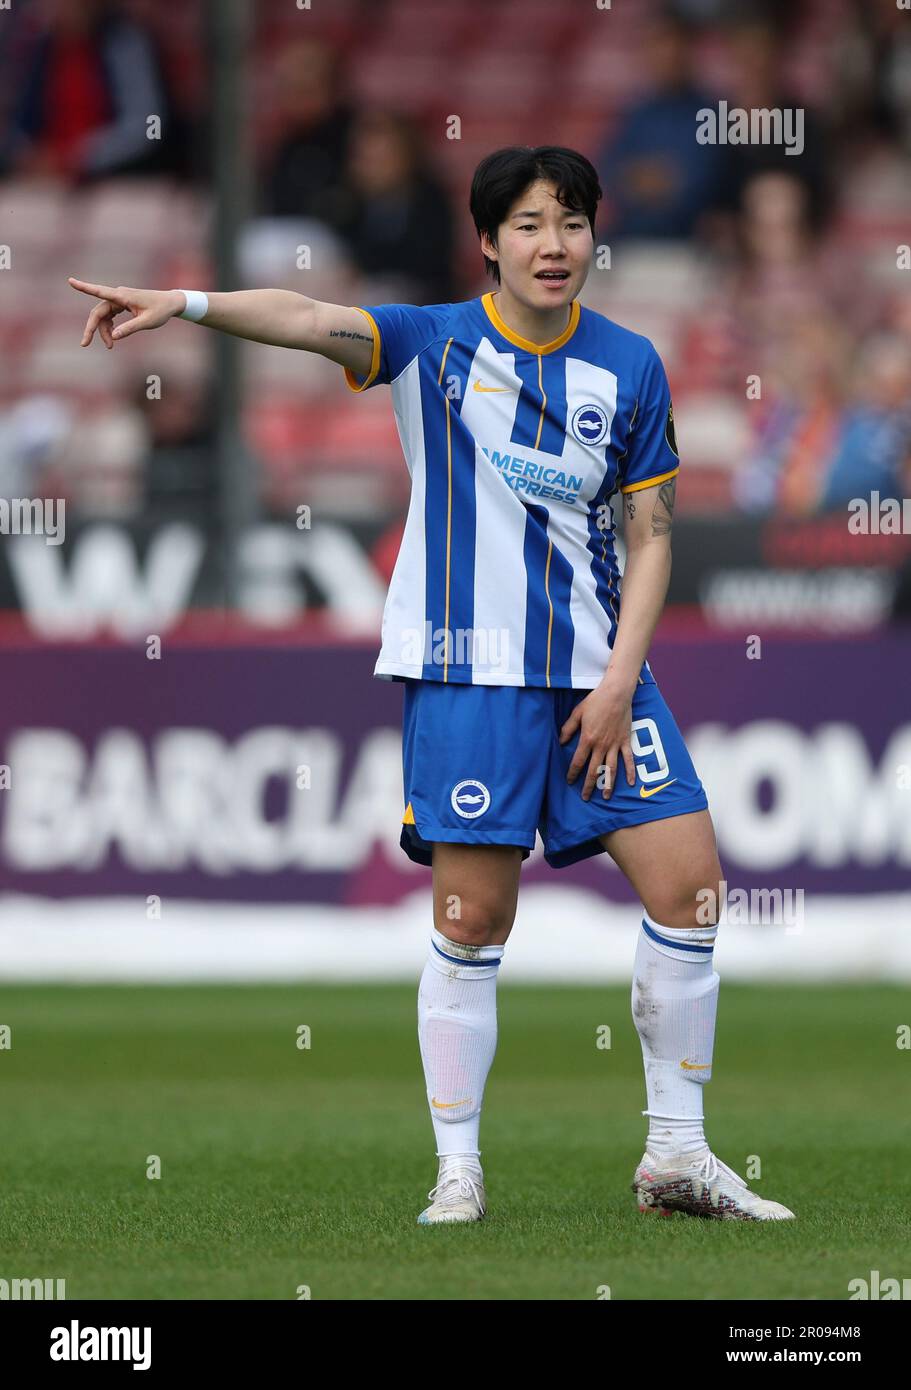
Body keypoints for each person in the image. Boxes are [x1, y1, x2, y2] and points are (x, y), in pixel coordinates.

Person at [69, 144, 795, 1225]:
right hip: (466, 676)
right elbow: (310, 320)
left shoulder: (629, 365)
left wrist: (618, 679)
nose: (553, 246)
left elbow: (650, 540)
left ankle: (675, 1157)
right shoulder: (432, 343)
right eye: (529, 225)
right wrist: (183, 301)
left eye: (571, 224)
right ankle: (457, 1167)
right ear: (489, 242)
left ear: (595, 237)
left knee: (689, 889)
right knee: (472, 917)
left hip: (599, 679)